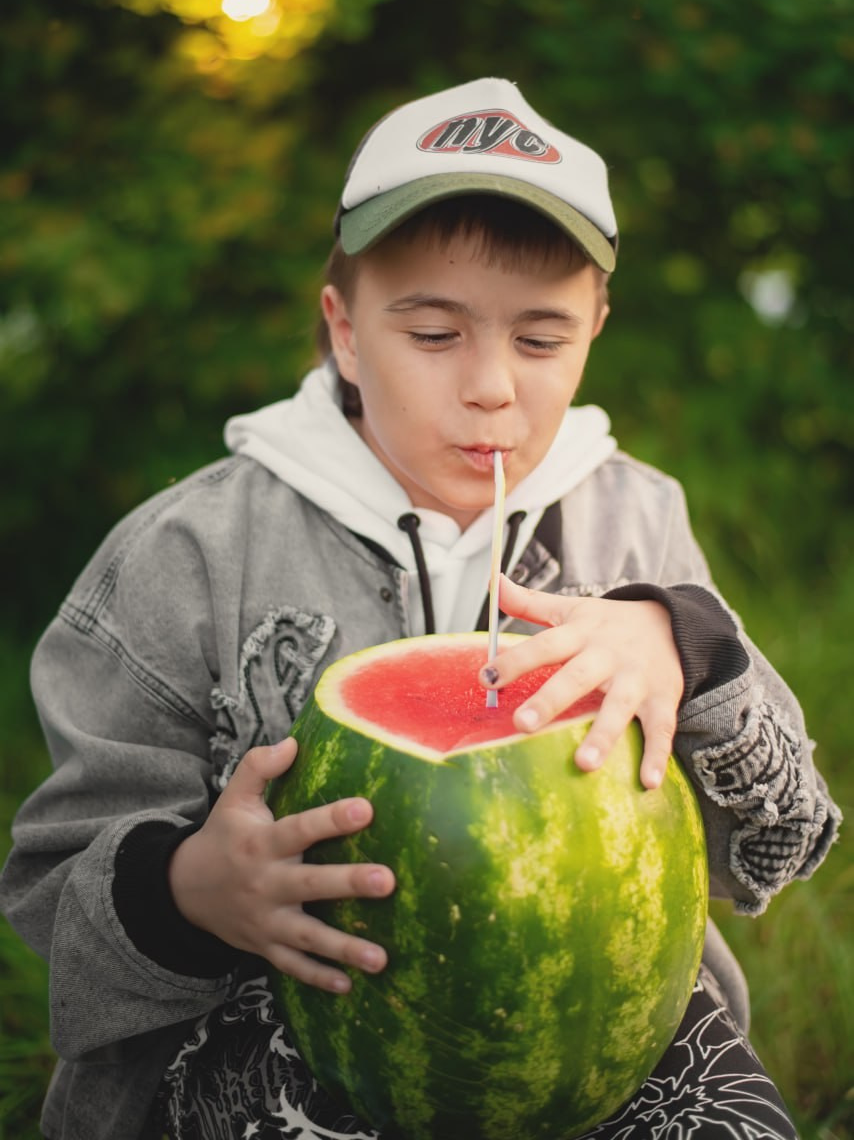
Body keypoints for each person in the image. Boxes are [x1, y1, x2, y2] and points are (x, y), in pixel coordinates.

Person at [0, 77, 840, 1140]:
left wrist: (688, 647)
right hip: (271, 1025)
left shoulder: (633, 519)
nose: (491, 386)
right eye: (434, 334)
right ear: (346, 332)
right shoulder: (189, 551)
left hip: (602, 1033)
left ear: (594, 328)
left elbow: (769, 841)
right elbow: (47, 884)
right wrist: (190, 891)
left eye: (540, 340)